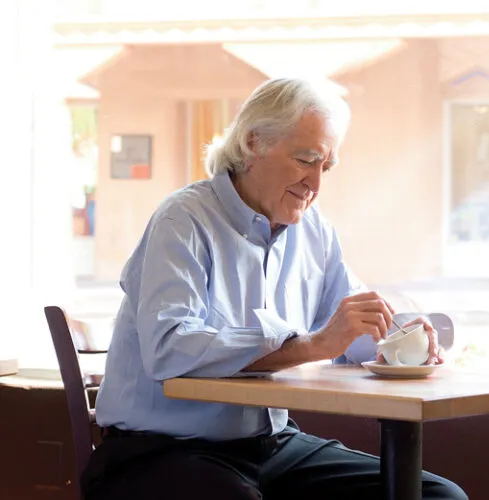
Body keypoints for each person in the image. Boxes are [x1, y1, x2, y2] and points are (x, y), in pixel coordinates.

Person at [82, 78, 467, 500]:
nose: (315, 183)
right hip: (158, 450)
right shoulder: (183, 220)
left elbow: (350, 327)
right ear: (253, 143)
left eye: (327, 167)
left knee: (438, 496)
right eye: (305, 160)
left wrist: (402, 336)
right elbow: (170, 348)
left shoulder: (314, 229)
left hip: (270, 446)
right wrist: (308, 346)